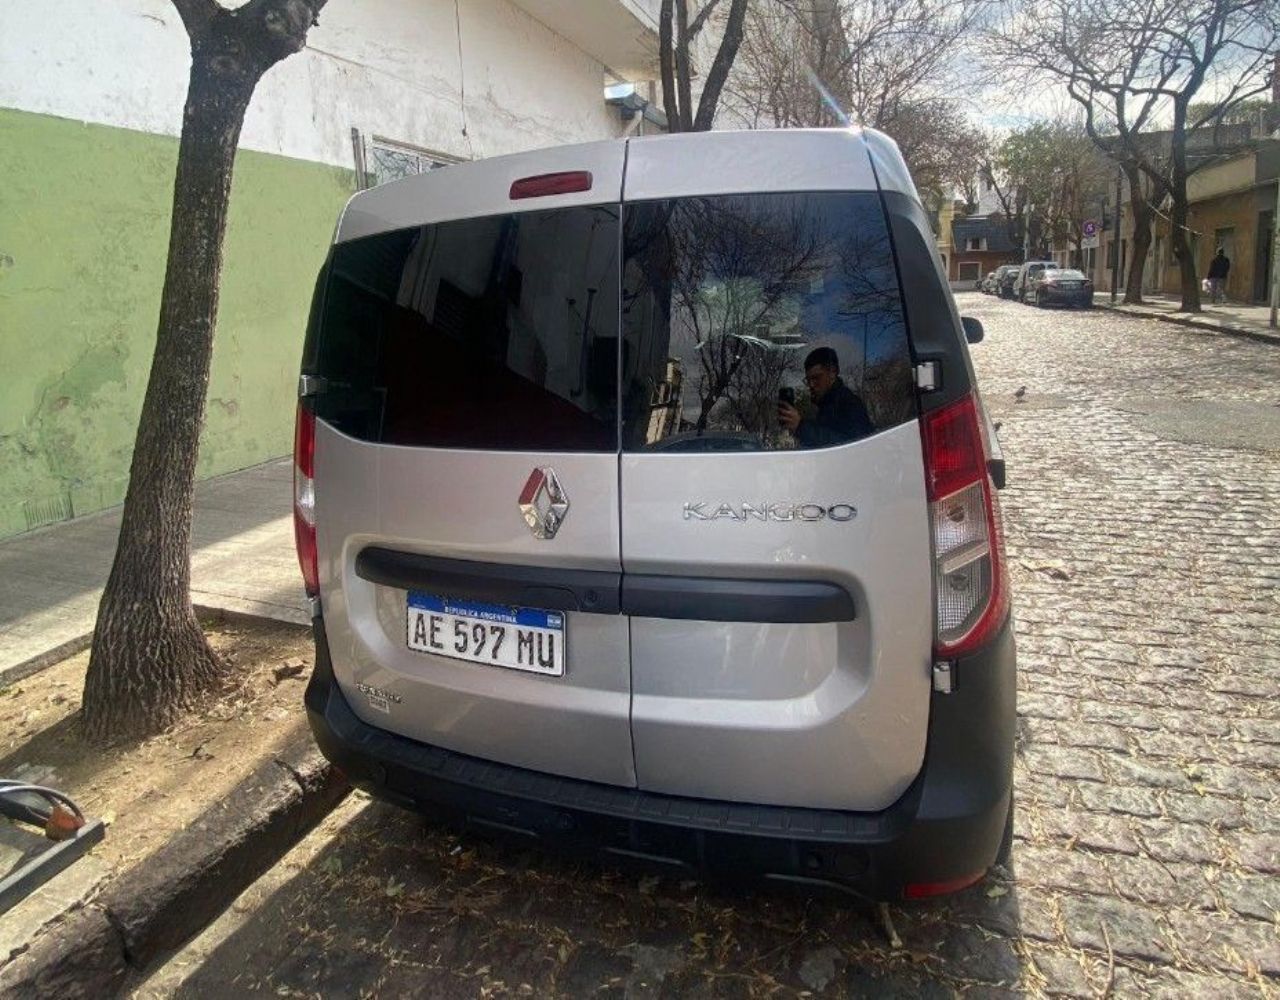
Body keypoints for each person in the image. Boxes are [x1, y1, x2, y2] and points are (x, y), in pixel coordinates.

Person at [778, 346, 874, 448]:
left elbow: (855, 447)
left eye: (816, 378)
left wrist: (801, 427)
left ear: (832, 373)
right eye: (808, 380)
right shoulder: (826, 405)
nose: (811, 385)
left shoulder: (849, 403)